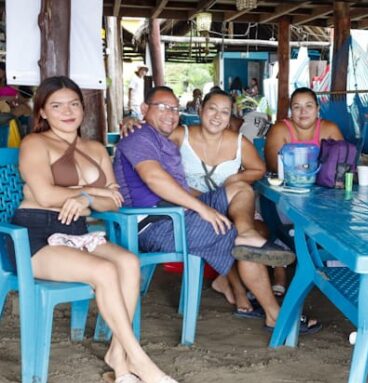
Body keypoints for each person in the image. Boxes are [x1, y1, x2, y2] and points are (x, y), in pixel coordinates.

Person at [11, 76, 190, 383]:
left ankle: (117, 354)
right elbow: (45, 194)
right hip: (35, 234)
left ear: (83, 109)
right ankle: (137, 360)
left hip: (76, 231)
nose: (67, 112)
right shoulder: (35, 144)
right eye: (57, 106)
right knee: (105, 270)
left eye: (74, 104)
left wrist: (86, 199)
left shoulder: (94, 148)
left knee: (129, 263)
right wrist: (91, 193)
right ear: (43, 112)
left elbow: (113, 201)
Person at [114, 86, 320, 334]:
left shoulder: (155, 136)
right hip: (157, 224)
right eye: (163, 108)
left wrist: (210, 200)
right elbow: (154, 178)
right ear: (144, 109)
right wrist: (202, 208)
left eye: (175, 109)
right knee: (234, 236)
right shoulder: (139, 136)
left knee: (241, 190)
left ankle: (246, 240)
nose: (170, 114)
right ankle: (273, 313)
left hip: (176, 213)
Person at [264, 87, 344, 296]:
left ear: (318, 109)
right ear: (291, 111)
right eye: (297, 107)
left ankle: (331, 273)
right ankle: (284, 267)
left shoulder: (330, 129)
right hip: (288, 196)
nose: (303, 112)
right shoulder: (280, 130)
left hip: (324, 199)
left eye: (309, 106)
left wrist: (301, 166)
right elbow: (274, 166)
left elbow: (342, 166)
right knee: (283, 220)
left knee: (338, 219)